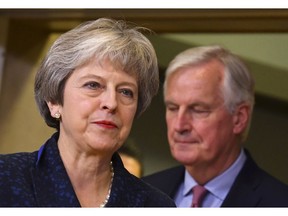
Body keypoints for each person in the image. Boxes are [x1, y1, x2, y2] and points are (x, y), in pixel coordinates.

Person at [0, 18, 175, 207]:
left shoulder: (155, 205)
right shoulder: (6, 178)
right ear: (54, 101)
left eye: (126, 92)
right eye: (93, 85)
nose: (111, 103)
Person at [142, 45, 288, 207]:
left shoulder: (279, 203)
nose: (179, 125)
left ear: (239, 118)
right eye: (173, 108)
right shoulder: (142, 192)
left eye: (198, 110)